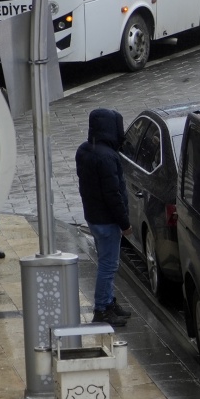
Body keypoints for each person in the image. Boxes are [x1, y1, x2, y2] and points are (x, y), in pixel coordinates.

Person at [76, 108, 132, 326]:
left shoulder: (84, 150)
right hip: (107, 220)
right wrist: (125, 223)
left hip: (93, 215)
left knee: (106, 263)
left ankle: (108, 302)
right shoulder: (108, 157)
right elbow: (113, 194)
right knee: (108, 265)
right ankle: (102, 308)